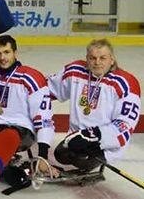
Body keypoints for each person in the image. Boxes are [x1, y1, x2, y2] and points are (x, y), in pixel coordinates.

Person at [0, 35, 56, 186]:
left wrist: (42, 157)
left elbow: (44, 118)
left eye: (7, 52)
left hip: (21, 130)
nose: (2, 58)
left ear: (15, 53)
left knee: (7, 135)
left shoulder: (31, 77)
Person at [47, 39, 140, 173]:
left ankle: (95, 160)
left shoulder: (126, 83)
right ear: (87, 59)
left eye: (103, 58)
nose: (97, 62)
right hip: (76, 137)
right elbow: (47, 89)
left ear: (112, 59)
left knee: (83, 159)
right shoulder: (75, 71)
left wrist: (94, 135)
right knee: (61, 154)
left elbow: (125, 125)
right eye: (92, 58)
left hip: (105, 141)